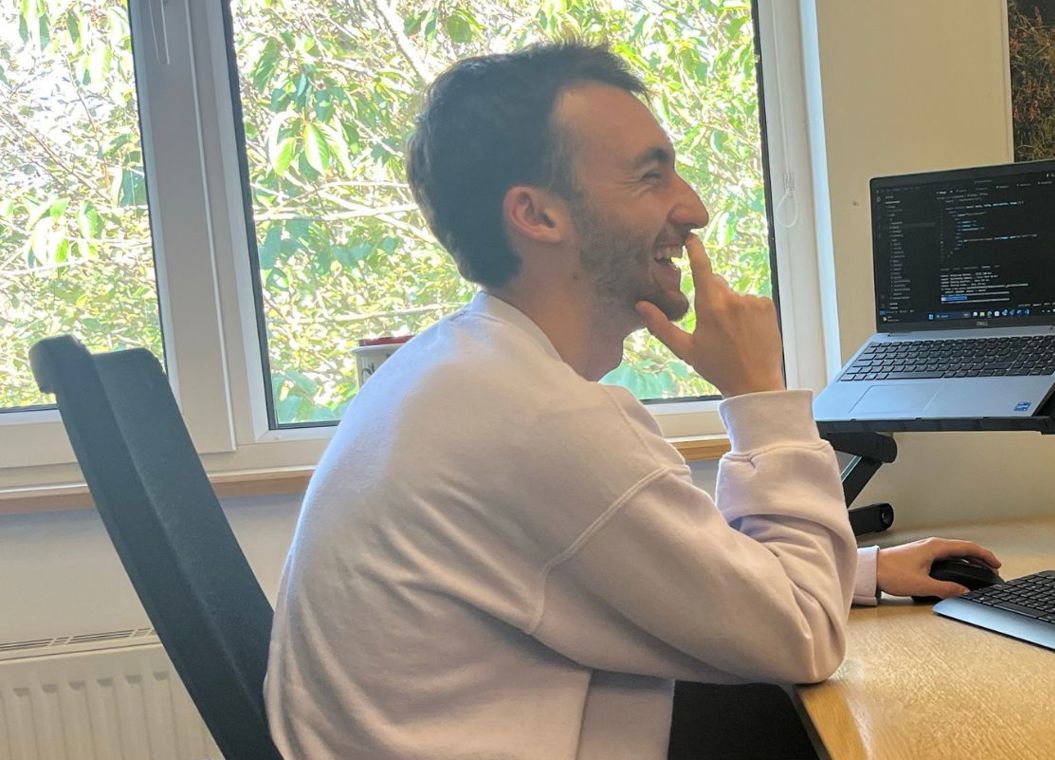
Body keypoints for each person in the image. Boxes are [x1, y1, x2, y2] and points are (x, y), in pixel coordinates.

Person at [264, 41, 999, 759]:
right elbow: (804, 636)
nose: (696, 209)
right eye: (652, 178)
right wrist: (760, 396)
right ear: (538, 215)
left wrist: (858, 572)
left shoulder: (452, 368)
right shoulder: (541, 420)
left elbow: (647, 568)